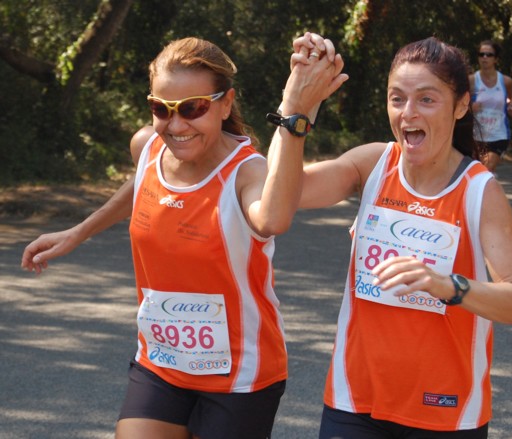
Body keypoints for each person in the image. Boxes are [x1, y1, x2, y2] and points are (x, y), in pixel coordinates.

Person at [21, 36, 346, 439]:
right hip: (161, 362)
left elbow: (273, 219)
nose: (175, 126)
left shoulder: (246, 172)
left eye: (193, 109)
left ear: (225, 104)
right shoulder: (148, 147)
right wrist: (79, 231)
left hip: (239, 375)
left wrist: (294, 113)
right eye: (162, 109)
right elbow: (141, 184)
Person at [281, 33, 512, 438]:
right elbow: (281, 196)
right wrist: (295, 111)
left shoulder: (478, 190)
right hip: (355, 399)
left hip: (445, 411)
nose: (407, 113)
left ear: (462, 105)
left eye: (427, 99)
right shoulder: (373, 164)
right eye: (397, 98)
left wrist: (445, 285)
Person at [469, 39, 512, 173]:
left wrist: (510, 108)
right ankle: (486, 191)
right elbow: (459, 103)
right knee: (478, 172)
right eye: (481, 54)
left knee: (485, 168)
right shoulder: (471, 80)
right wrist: (470, 107)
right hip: (476, 136)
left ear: (495, 59)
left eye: (489, 55)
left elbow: (510, 98)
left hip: (498, 135)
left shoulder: (506, 81)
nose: (484, 57)